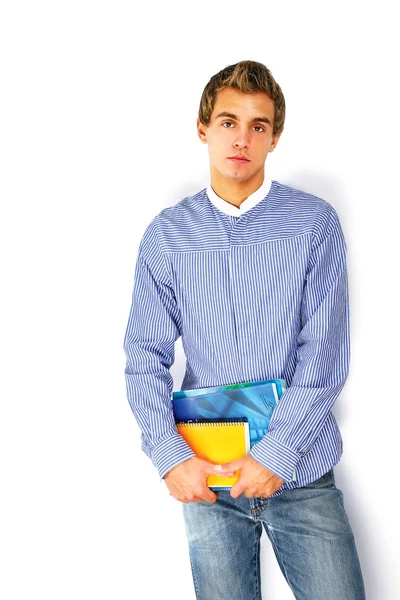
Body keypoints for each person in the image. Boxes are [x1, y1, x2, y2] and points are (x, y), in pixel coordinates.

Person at [123, 60, 366, 599]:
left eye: (258, 126)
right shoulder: (167, 236)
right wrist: (168, 456)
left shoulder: (313, 223)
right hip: (207, 476)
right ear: (202, 128)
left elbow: (324, 353)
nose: (242, 138)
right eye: (229, 121)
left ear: (275, 137)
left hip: (301, 472)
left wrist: (274, 456)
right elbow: (144, 354)